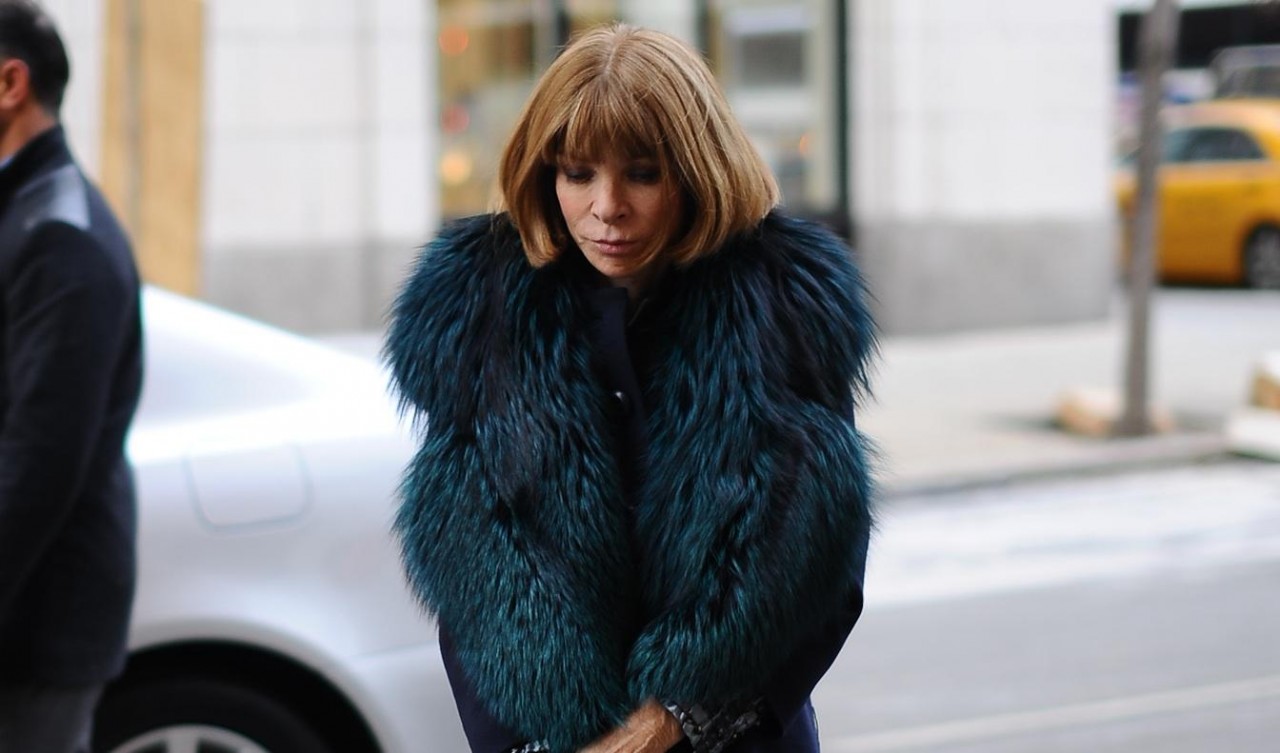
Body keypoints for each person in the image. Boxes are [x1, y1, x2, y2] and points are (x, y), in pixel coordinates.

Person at [386, 22, 875, 753]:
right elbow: (474, 572)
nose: (607, 206)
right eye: (578, 173)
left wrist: (670, 721)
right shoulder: (485, 315)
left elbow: (817, 568)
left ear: (696, 170)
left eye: (642, 173)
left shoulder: (780, 310)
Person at [0, 2, 144, 751]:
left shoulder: (59, 235)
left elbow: (39, 460)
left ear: (9, 82)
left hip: (36, 622)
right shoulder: (26, 214)